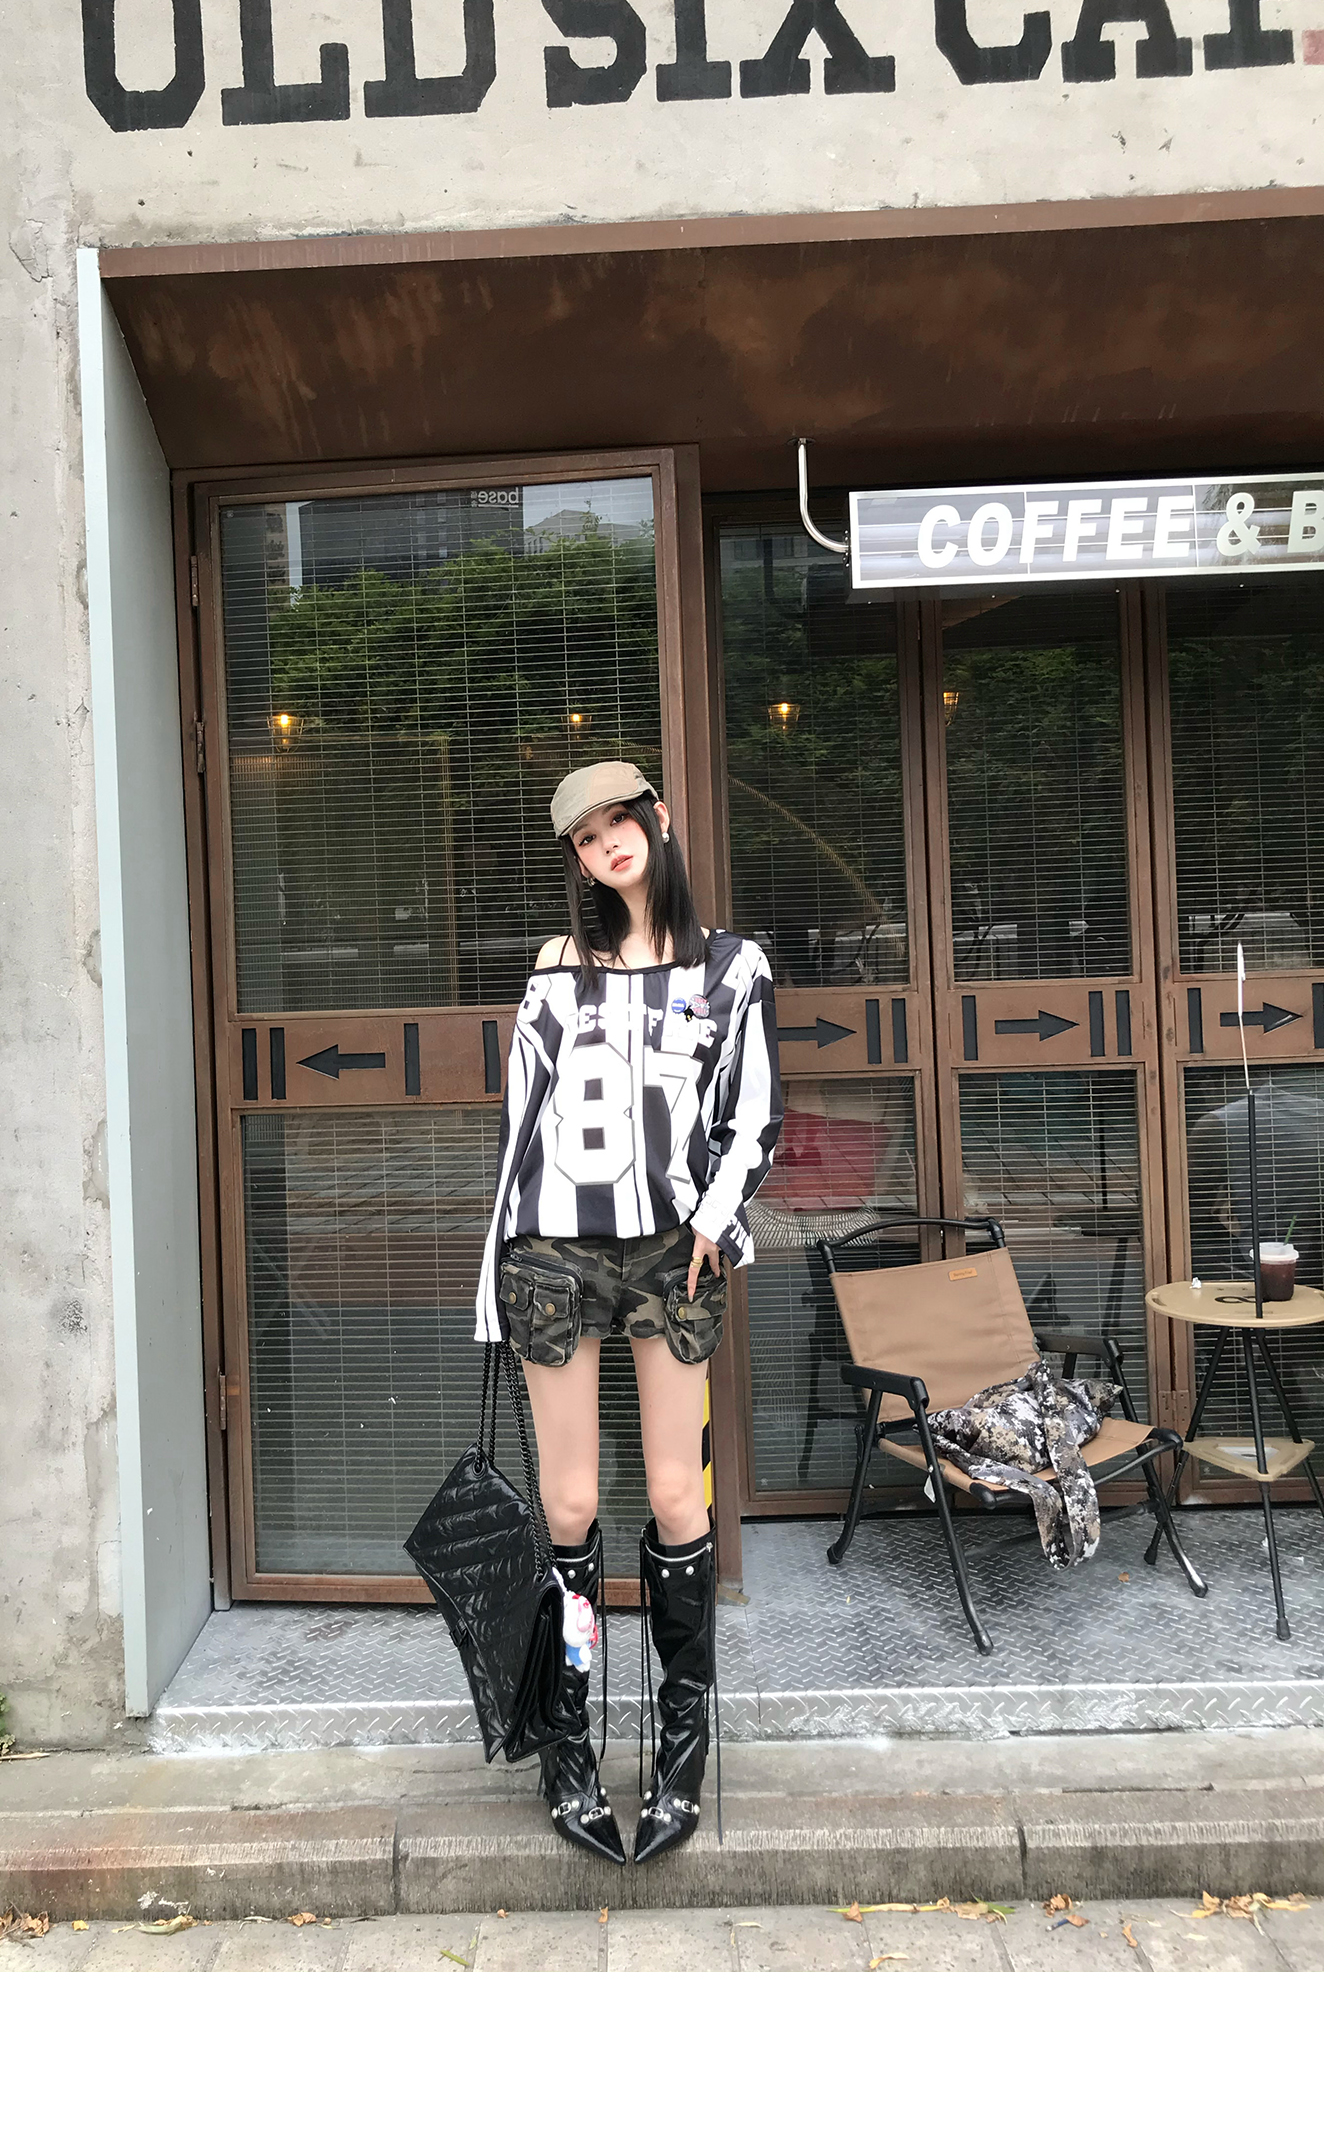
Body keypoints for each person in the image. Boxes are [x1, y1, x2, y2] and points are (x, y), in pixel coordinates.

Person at [475, 759, 782, 1864]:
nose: (609, 842)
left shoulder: (733, 967)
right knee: (567, 1504)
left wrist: (717, 1218)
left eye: (621, 819)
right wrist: (496, 1271)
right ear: (576, 859)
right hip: (555, 1251)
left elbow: (754, 1114)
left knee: (672, 1492)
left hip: (670, 1253)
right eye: (586, 834)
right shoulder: (557, 968)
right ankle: (567, 1736)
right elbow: (521, 1125)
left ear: (659, 818)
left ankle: (683, 1738)